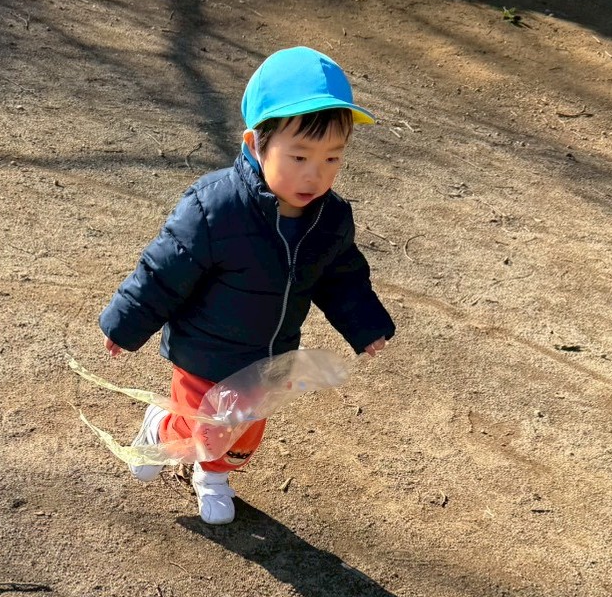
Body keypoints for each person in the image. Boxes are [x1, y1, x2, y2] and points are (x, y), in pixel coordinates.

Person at [99, 46, 395, 524]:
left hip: (267, 360)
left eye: (332, 158)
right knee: (201, 427)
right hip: (204, 352)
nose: (314, 174)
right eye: (299, 156)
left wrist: (365, 325)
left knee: (242, 434)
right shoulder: (216, 207)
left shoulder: (331, 219)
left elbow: (342, 277)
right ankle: (162, 429)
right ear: (256, 144)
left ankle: (213, 476)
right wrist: (125, 324)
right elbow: (164, 269)